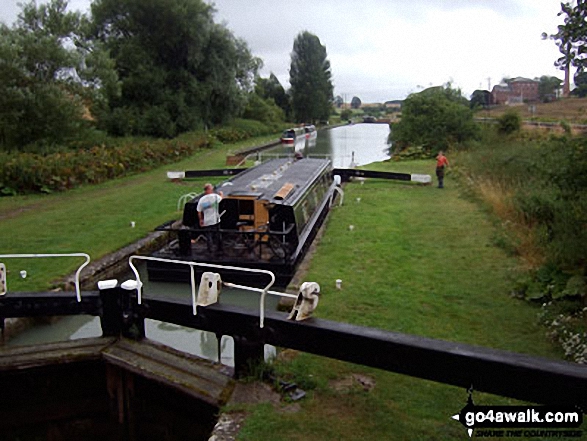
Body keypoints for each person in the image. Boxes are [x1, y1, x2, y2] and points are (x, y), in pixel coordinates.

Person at [197, 183, 223, 254]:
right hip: (215, 220)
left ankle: (210, 250)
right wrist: (221, 194)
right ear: (209, 189)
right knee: (218, 235)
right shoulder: (215, 196)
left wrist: (201, 220)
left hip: (207, 221)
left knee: (209, 236)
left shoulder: (202, 199)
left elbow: (199, 211)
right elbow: (221, 198)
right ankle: (219, 249)